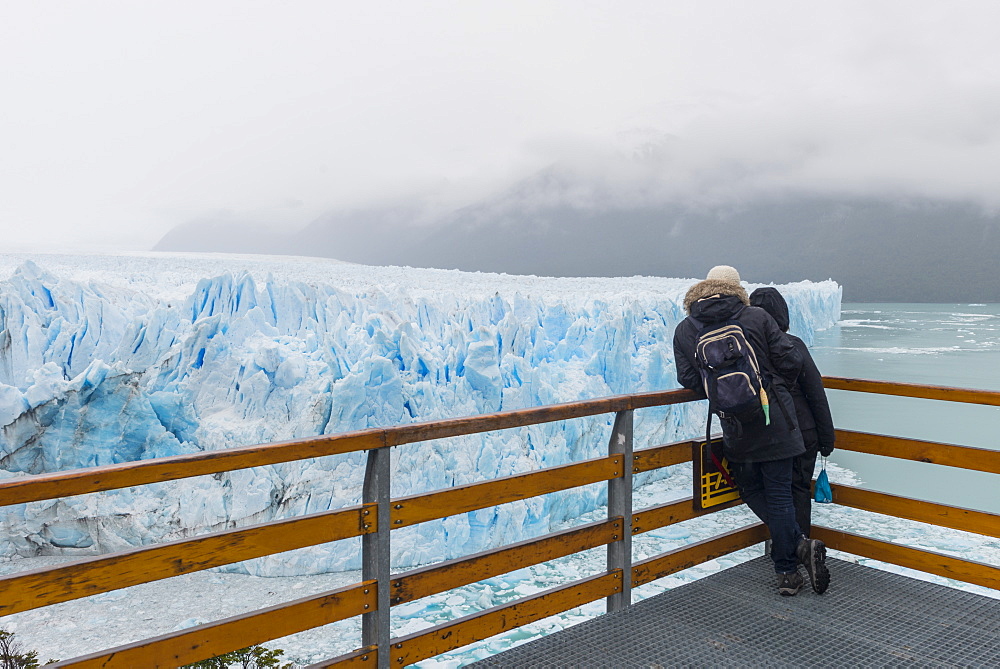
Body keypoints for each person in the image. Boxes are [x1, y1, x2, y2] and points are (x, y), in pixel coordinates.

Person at [672, 265, 830, 596]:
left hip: (735, 427)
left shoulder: (686, 329)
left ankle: (795, 556)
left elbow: (688, 379)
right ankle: (792, 562)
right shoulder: (755, 317)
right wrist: (771, 390)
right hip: (778, 423)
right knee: (779, 491)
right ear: (736, 288)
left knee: (748, 488)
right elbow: (790, 359)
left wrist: (727, 393)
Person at [749, 287, 836, 537]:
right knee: (798, 492)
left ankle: (787, 551)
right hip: (803, 433)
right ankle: (802, 550)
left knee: (776, 494)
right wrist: (827, 438)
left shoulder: (748, 351)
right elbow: (815, 392)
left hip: (768, 434)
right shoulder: (792, 344)